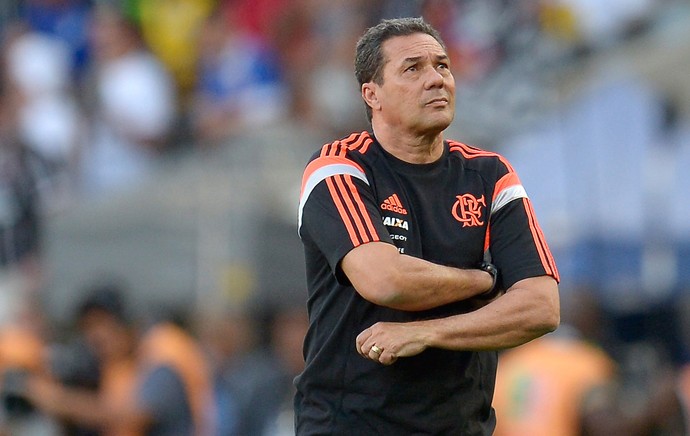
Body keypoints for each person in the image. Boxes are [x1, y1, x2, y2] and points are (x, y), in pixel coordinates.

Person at [295, 17, 560, 434]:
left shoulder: (489, 175)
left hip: (459, 426)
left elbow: (542, 306)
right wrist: (484, 281)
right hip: (351, 424)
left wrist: (427, 333)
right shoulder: (338, 167)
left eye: (442, 66)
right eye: (412, 69)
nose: (436, 80)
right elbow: (386, 280)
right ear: (372, 94)